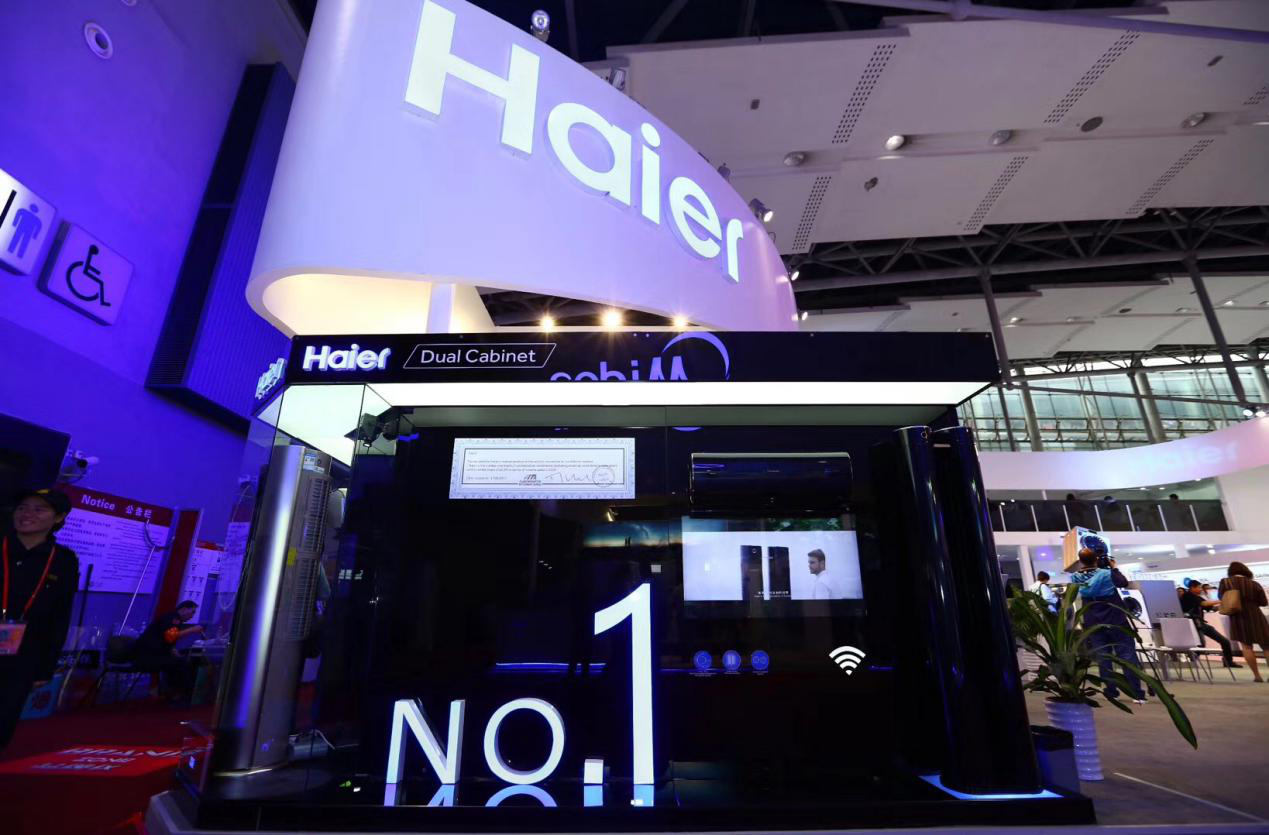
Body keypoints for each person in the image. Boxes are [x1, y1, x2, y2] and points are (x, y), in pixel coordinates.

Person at [0, 489, 80, 751]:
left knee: (5, 716)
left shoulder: (63, 561)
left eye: (39, 509)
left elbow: (60, 615)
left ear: (58, 518)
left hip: (24, 654)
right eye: (23, 507)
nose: (27, 514)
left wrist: (46, 667)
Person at [1069, 547, 1145, 703]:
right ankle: (1136, 693)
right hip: (1116, 621)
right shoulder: (1107, 574)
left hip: (1093, 623)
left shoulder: (1075, 578)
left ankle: (1111, 692)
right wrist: (1114, 567)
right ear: (1096, 559)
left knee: (1104, 658)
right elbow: (1123, 583)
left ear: (1080, 561)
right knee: (1127, 656)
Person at [130, 600, 203, 701]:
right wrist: (192, 630)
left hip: (147, 655)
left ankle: (173, 693)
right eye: (192, 612)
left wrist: (172, 650)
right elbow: (170, 636)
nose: (192, 616)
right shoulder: (172, 619)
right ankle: (183, 696)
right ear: (183, 609)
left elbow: (163, 640)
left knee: (178, 661)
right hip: (147, 657)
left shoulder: (171, 618)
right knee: (181, 664)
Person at [1217, 562, 1269, 682]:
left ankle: (1257, 676)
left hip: (1238, 617)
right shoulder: (1254, 584)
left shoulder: (1226, 582)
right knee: (1266, 646)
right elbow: (1263, 602)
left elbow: (1221, 597)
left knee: (1246, 646)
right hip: (1256, 616)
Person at [1180, 580, 1237, 668]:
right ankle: (1191, 662)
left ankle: (1228, 662)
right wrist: (1222, 600)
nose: (1201, 589)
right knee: (1200, 646)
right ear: (1192, 588)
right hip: (1193, 625)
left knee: (1224, 641)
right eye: (1199, 587)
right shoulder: (1188, 596)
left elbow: (1212, 608)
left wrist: (1227, 605)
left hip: (1201, 624)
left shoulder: (1197, 597)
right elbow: (1204, 603)